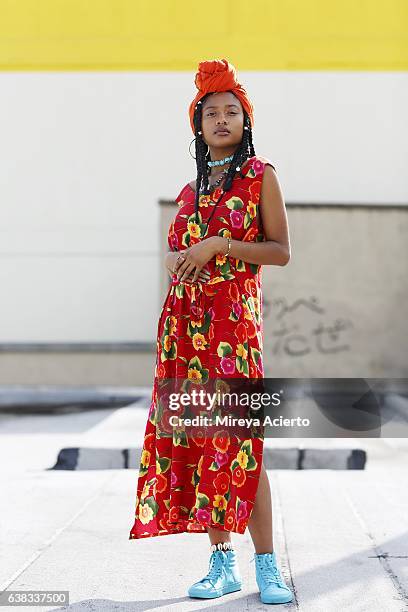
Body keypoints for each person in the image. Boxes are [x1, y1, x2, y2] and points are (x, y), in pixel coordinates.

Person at [129, 58, 293, 605]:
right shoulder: (188, 190)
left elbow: (280, 251)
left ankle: (268, 566)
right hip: (185, 332)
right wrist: (180, 259)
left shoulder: (260, 176)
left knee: (243, 446)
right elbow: (179, 252)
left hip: (233, 331)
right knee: (203, 445)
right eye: (211, 114)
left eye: (232, 112)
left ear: (245, 121)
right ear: (197, 127)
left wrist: (219, 246)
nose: (221, 120)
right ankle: (222, 565)